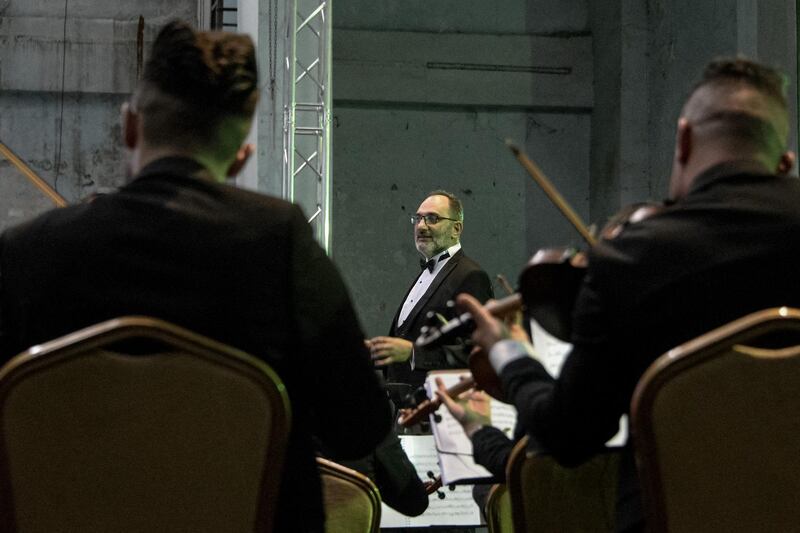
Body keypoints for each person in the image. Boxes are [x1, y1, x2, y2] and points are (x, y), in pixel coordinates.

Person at [0, 21, 391, 533]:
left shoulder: (25, 253)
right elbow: (359, 427)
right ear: (240, 156)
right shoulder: (280, 243)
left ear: (130, 127)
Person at [443, 57, 800, 532]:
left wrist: (510, 352)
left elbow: (567, 437)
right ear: (783, 163)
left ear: (685, 139)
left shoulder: (632, 259)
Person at [368, 190, 493, 396]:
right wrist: (377, 352)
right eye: (418, 218)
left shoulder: (471, 276)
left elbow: (477, 353)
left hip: (442, 409)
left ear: (456, 228)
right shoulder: (426, 273)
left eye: (432, 218)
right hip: (407, 410)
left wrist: (413, 353)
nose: (421, 226)